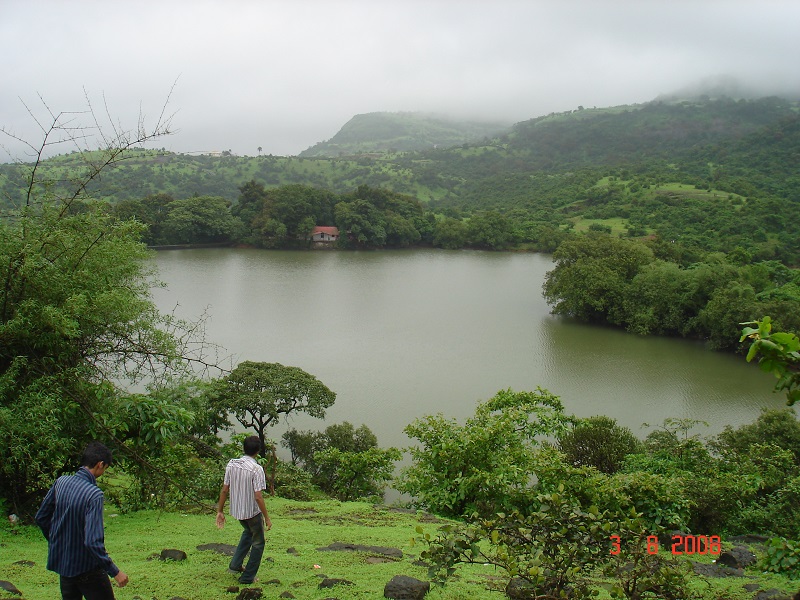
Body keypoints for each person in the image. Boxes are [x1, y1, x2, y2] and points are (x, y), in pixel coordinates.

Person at [35, 441, 128, 600]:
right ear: (100, 464)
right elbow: (92, 542)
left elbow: (41, 517)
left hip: (64, 566)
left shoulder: (61, 482)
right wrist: (115, 572)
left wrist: (57, 542)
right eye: (105, 468)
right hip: (88, 569)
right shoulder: (94, 495)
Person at [216, 435, 272, 584]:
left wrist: (220, 511)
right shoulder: (256, 469)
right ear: (258, 451)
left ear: (244, 448)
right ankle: (247, 577)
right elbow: (258, 496)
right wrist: (266, 517)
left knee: (248, 532)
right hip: (252, 512)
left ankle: (235, 565)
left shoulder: (232, 464)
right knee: (258, 543)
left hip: (238, 511)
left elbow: (224, 490)